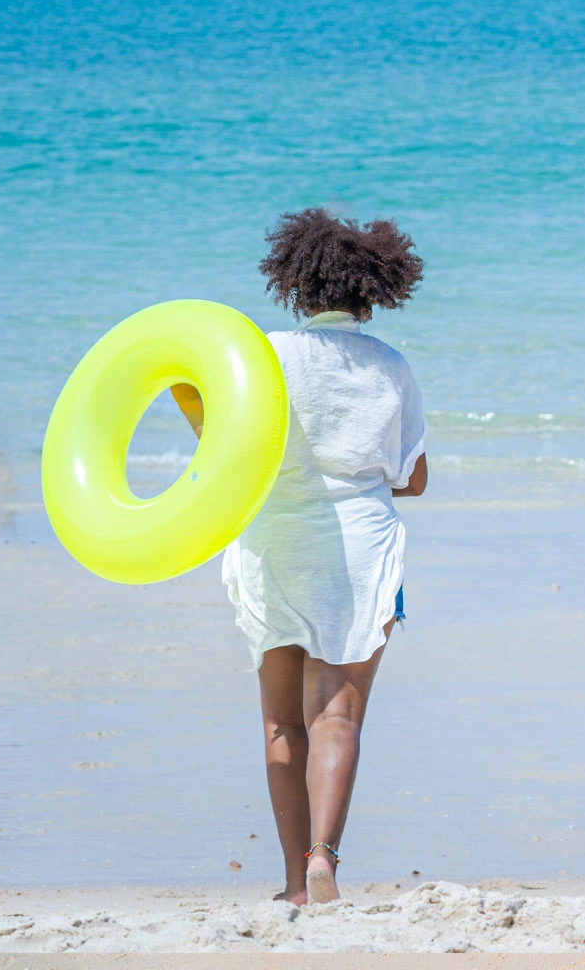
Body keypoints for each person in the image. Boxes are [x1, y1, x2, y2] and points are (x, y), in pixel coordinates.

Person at [174, 208, 428, 904]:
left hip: (274, 540)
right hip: (359, 545)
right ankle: (325, 861)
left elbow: (220, 452)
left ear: (293, 284)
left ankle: (292, 881)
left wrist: (188, 401)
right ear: (372, 291)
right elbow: (414, 477)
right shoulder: (391, 366)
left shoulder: (262, 360)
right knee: (336, 718)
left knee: (282, 721)